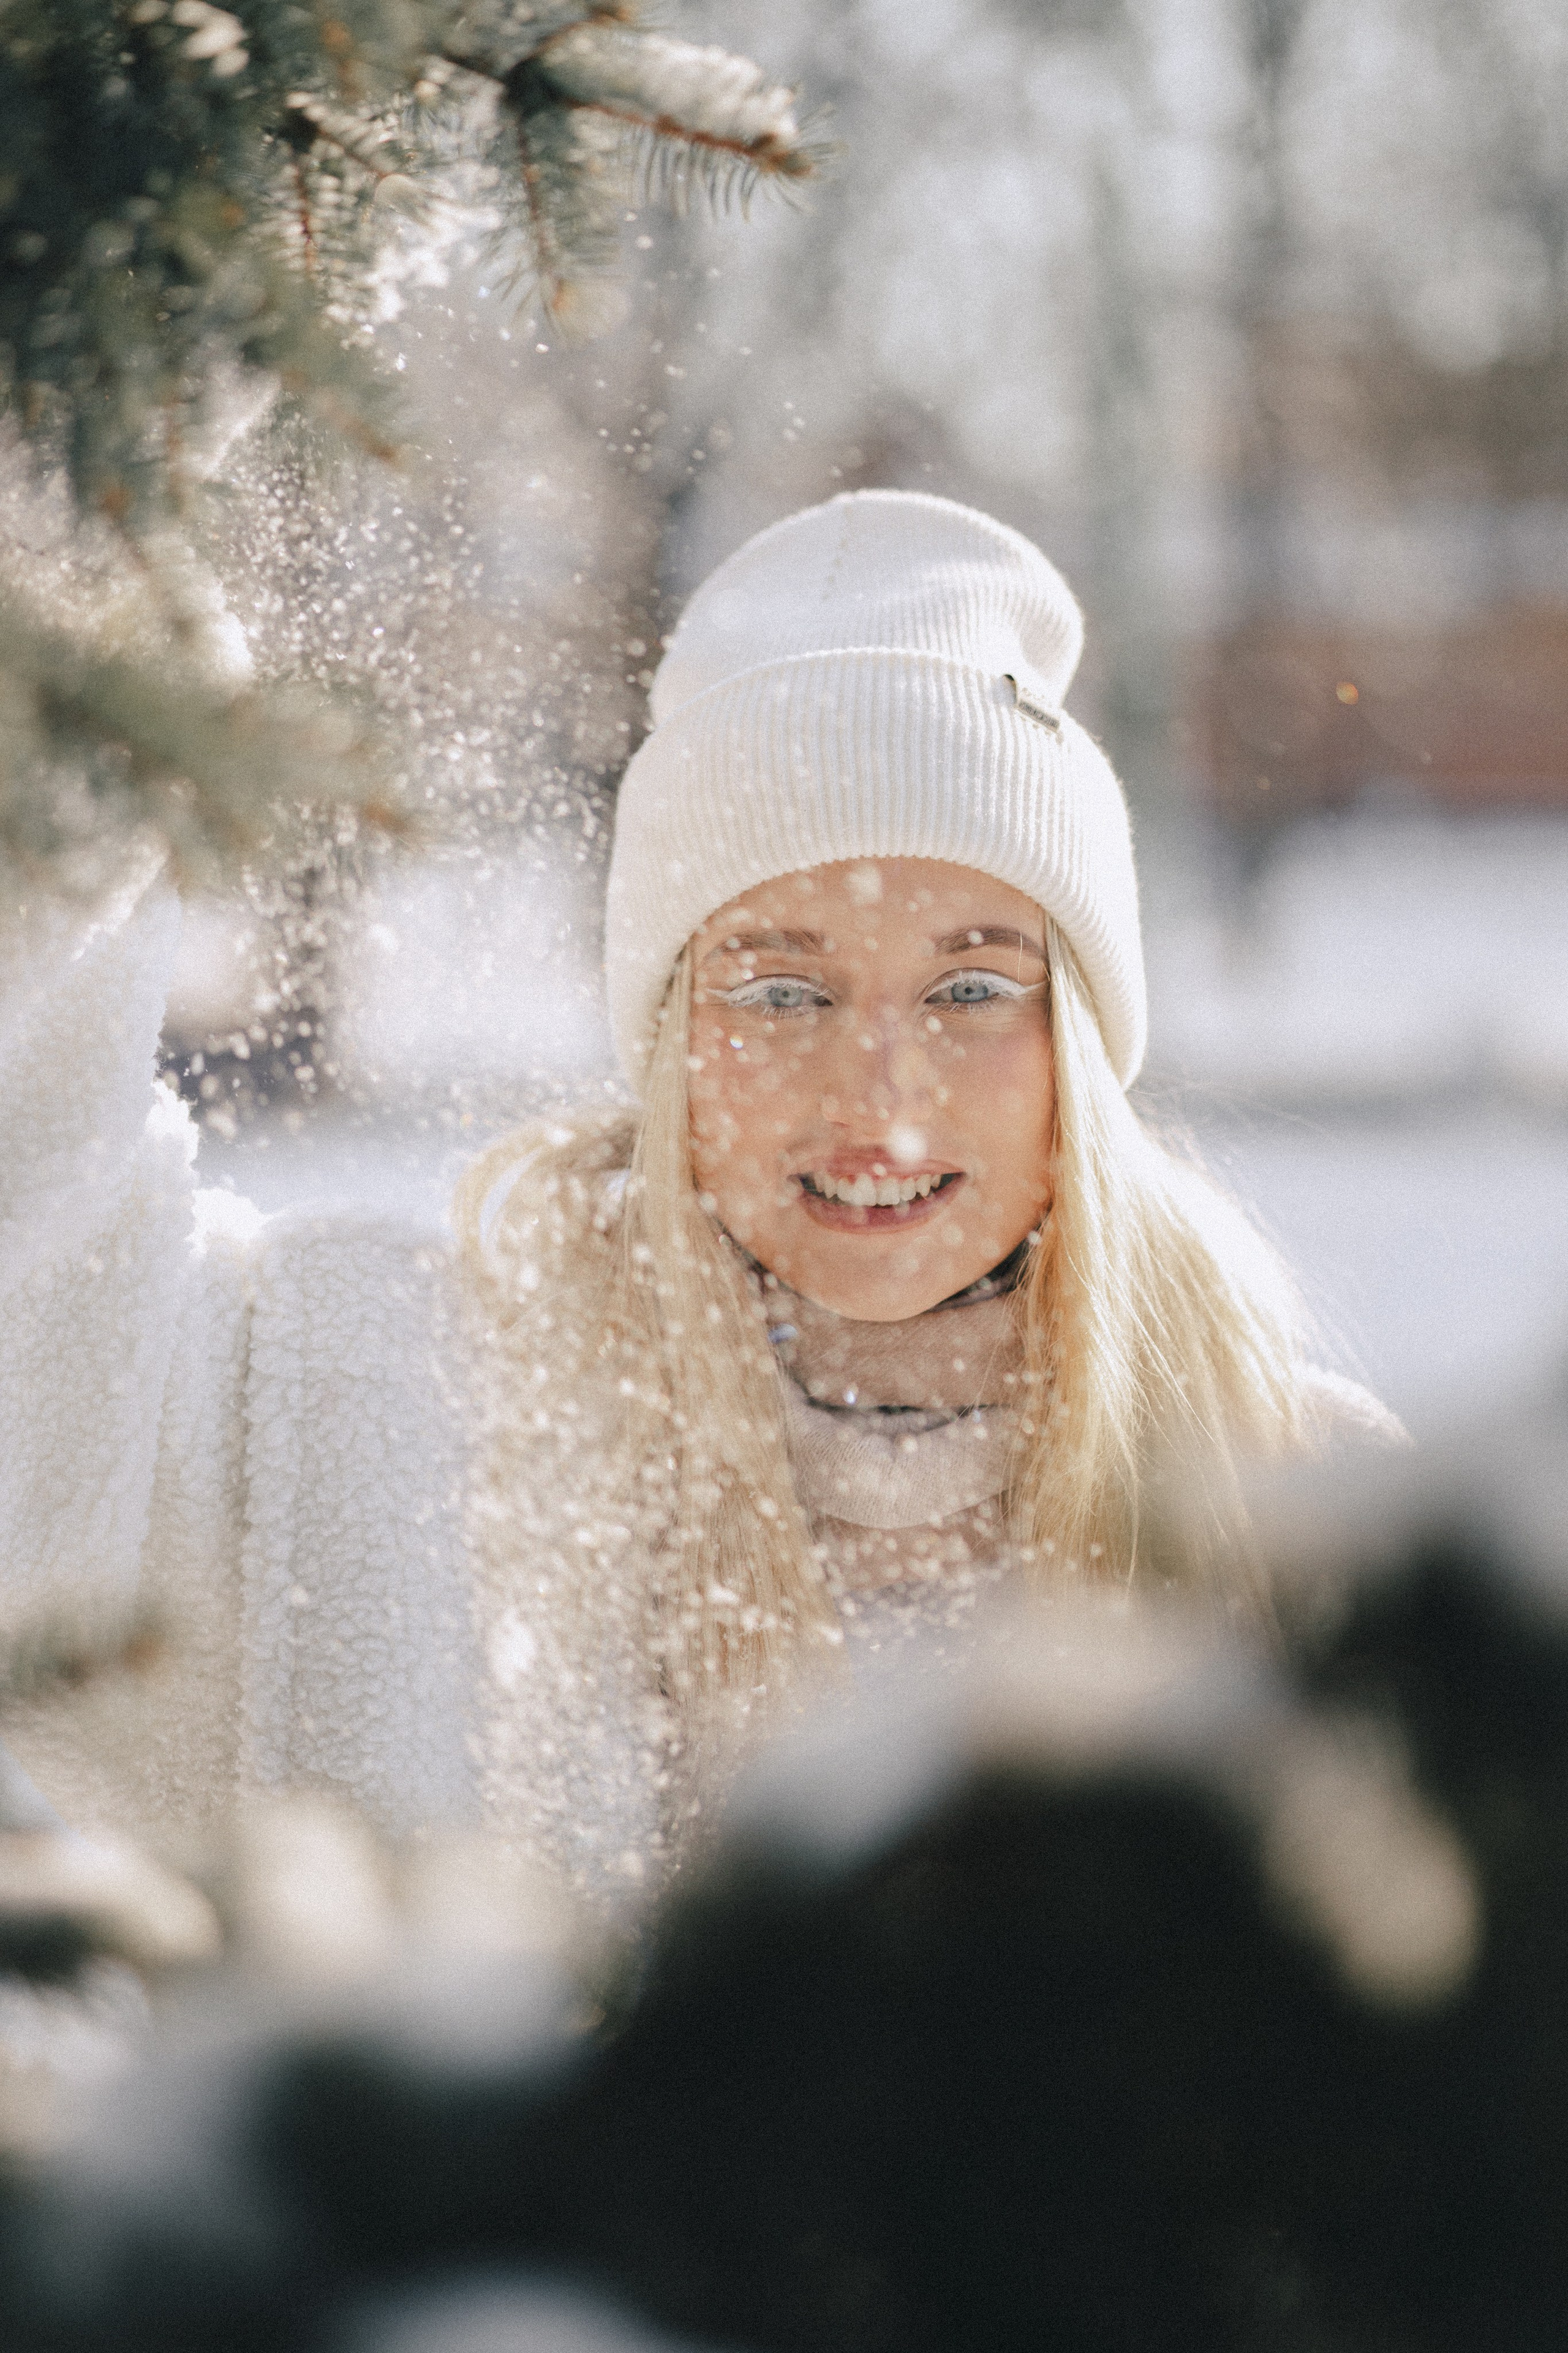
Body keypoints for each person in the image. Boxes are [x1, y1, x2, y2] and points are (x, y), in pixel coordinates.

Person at [0, 491, 1392, 1913]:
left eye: (971, 987)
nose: (879, 1099)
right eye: (780, 992)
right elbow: (36, 1359)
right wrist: (69, 653)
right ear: (672, 1044)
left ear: (1077, 1048)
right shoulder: (394, 1431)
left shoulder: (1318, 1530)